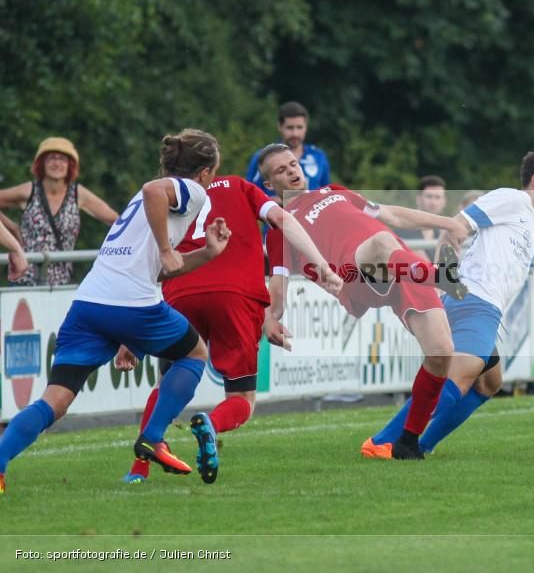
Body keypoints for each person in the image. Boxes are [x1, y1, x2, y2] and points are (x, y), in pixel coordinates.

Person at [0, 129, 231, 495]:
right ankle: (153, 438)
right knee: (195, 353)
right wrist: (166, 249)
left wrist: (206, 253)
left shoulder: (147, 205)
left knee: (55, 401)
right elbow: (155, 192)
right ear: (204, 172)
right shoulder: (186, 190)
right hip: (130, 305)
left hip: (89, 304)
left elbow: (157, 267)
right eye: (214, 171)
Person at [362, 151, 534, 458]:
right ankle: (383, 441)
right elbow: (454, 227)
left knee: (488, 382)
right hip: (474, 300)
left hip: (484, 307)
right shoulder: (510, 199)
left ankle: (421, 443)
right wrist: (443, 277)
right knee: (459, 375)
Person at [119, 164, 342, 485]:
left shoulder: (165, 193)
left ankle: (139, 470)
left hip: (181, 291)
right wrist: (323, 266)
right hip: (235, 295)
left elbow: (141, 254)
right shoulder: (240, 186)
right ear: (209, 166)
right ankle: (211, 423)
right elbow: (279, 217)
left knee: (166, 382)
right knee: (242, 397)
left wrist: (133, 334)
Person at [257, 143, 470, 460]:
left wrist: (447, 222)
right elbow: (279, 280)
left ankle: (407, 443)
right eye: (281, 170)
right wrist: (272, 316)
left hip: (404, 268)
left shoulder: (335, 190)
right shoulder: (280, 227)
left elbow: (392, 213)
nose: (291, 171)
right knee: (382, 242)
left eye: (293, 164)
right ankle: (438, 275)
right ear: (269, 185)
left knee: (441, 352)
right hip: (355, 277)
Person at [0, 137, 118, 286]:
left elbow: (117, 221)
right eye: (51, 158)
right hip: (25, 280)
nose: (57, 163)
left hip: (61, 283)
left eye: (62, 159)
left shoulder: (78, 194)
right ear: (42, 164)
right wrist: (12, 229)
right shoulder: (29, 191)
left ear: (70, 165)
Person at [246, 101, 330, 201]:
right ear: (280, 127)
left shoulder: (318, 156)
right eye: (290, 128)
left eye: (299, 127)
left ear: (306, 127)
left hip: (313, 214)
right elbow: (250, 198)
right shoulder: (263, 158)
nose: (295, 133)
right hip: (277, 215)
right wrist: (286, 200)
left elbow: (327, 194)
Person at [394, 175, 447, 260]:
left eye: (438, 197)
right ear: (418, 199)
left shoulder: (442, 233)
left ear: (444, 202)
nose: (433, 202)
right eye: (429, 196)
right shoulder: (403, 228)